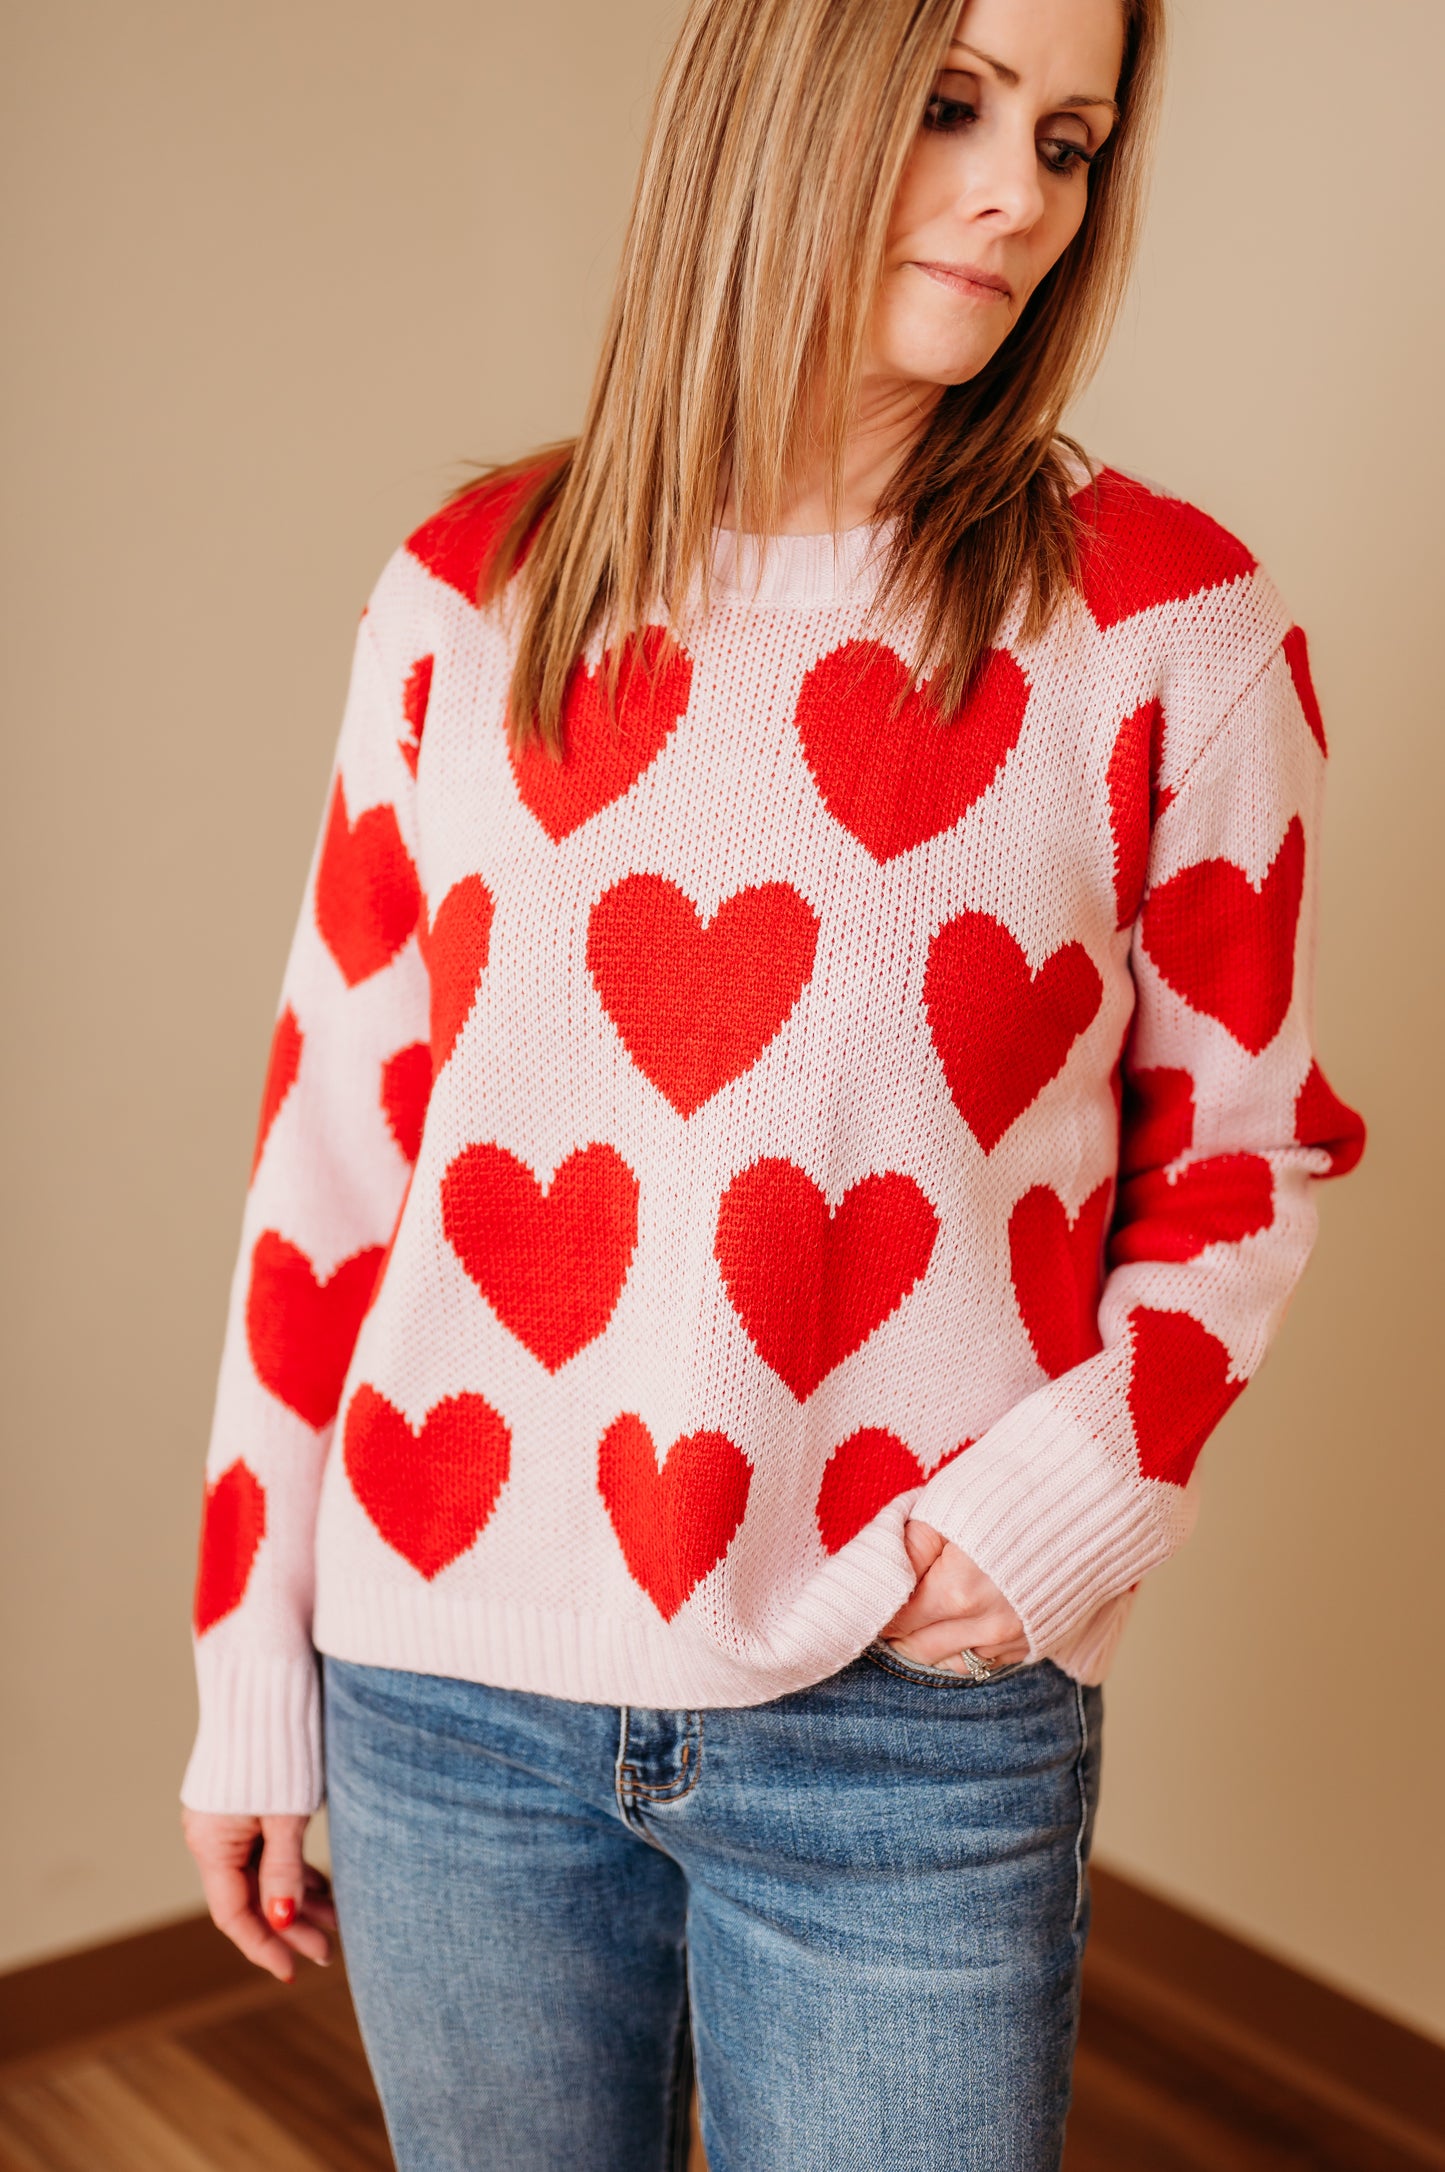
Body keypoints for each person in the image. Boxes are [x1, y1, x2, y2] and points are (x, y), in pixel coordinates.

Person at [180, 0, 1364, 2164]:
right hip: (448, 1687)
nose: (1023, 194)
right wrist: (249, 1662)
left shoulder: (1169, 627)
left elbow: (1249, 1149)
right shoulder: (473, 596)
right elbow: (340, 1153)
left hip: (903, 1734)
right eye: (951, 105)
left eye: (1074, 139)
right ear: (779, 99)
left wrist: (1067, 1501)